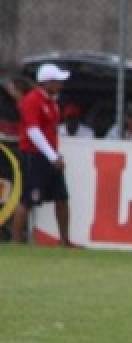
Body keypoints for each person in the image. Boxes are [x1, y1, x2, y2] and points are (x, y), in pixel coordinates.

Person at [11, 64, 76, 247]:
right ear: (47, 82)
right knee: (29, 199)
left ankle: (64, 240)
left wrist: (55, 155)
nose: (61, 85)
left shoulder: (52, 102)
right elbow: (33, 131)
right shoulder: (32, 100)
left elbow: (50, 131)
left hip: (50, 156)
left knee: (62, 197)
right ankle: (16, 242)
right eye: (57, 81)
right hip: (35, 155)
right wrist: (52, 156)